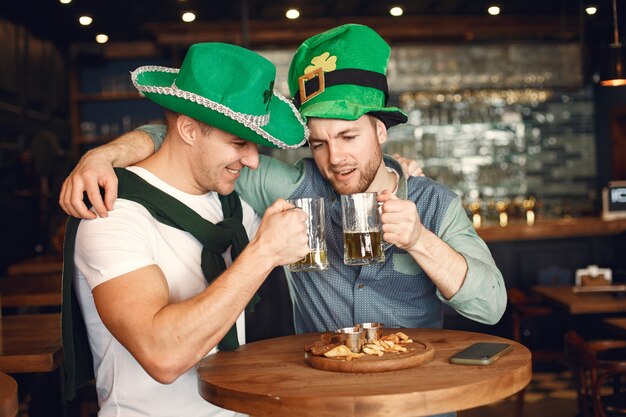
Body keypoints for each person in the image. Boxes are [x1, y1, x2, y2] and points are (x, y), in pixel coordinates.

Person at [61, 24, 506, 337]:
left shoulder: (434, 203)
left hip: (414, 405)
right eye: (318, 143)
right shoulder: (292, 186)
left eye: (349, 136)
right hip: (316, 401)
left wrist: (420, 241)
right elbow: (186, 140)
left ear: (381, 130)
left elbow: (490, 307)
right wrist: (104, 155)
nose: (336, 159)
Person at [61, 42, 311, 416]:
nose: (253, 161)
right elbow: (163, 356)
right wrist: (263, 253)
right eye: (239, 143)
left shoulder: (233, 206)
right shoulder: (113, 214)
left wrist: (394, 173)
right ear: (190, 130)